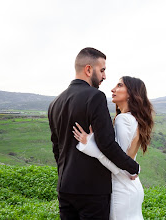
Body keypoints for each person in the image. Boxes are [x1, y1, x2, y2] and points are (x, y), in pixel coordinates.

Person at [48, 48, 140, 219]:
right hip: (92, 191)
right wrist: (133, 167)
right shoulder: (95, 97)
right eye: (102, 70)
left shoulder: (55, 103)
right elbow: (107, 144)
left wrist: (65, 174)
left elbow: (57, 148)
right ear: (89, 69)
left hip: (65, 187)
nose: (104, 76)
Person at [73, 76, 154, 220]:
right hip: (133, 186)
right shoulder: (134, 119)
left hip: (122, 188)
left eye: (119, 85)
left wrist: (89, 144)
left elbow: (118, 161)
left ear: (131, 93)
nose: (113, 89)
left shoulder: (123, 119)